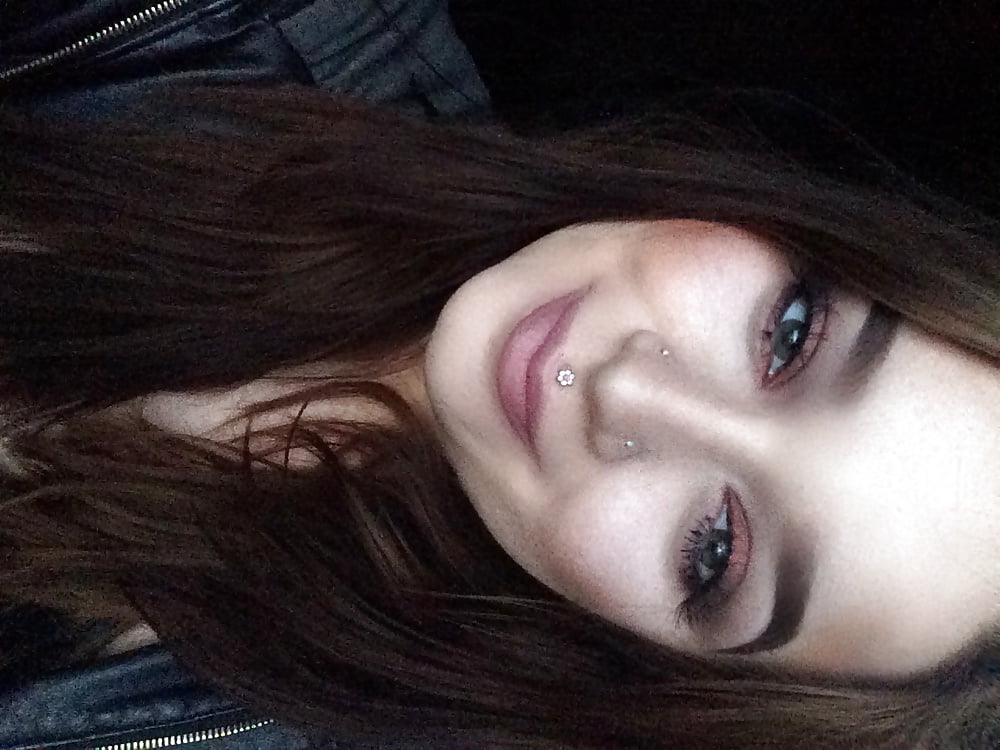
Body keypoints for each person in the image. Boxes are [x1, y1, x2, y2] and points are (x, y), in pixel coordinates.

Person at [0, 81, 997, 749]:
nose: (626, 392)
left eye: (713, 551)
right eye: (791, 335)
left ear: (651, 673)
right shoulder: (264, 36)